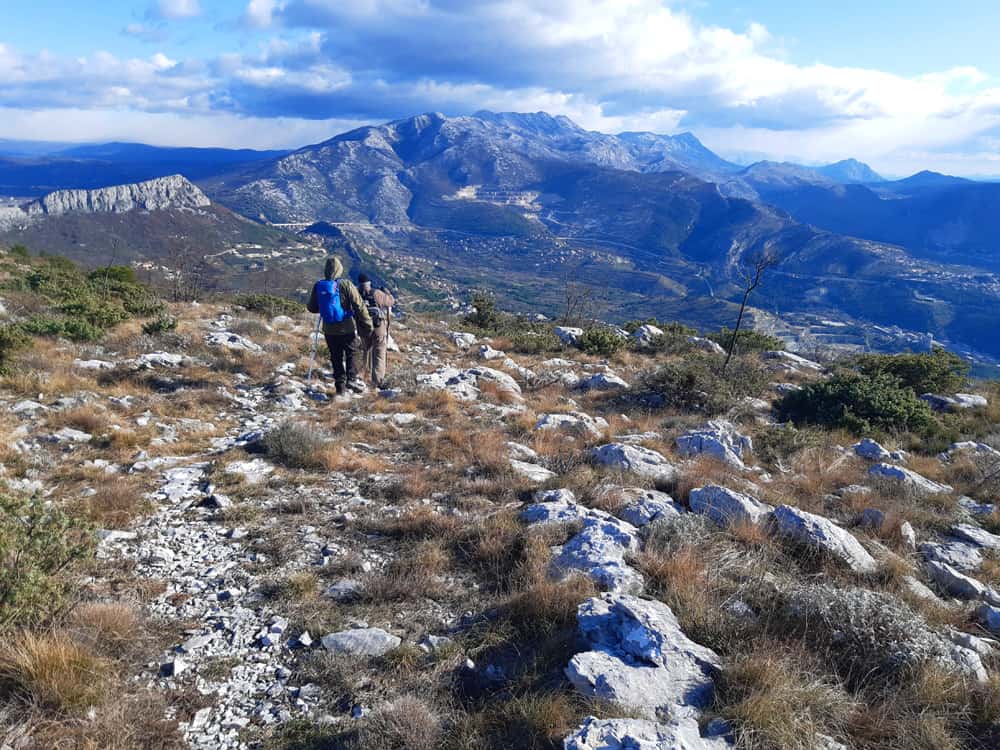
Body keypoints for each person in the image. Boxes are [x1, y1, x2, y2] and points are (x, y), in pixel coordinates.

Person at [306, 257, 373, 396]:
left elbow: (311, 307)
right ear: (339, 270)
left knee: (335, 357)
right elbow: (359, 306)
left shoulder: (319, 285)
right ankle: (351, 379)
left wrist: (326, 308)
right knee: (352, 352)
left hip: (329, 329)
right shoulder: (346, 284)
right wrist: (367, 325)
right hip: (346, 327)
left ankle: (340, 389)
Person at [357, 273, 396, 389]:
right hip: (378, 327)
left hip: (363, 327)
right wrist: (388, 293)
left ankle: (364, 375)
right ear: (369, 283)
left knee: (366, 350)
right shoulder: (377, 294)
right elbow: (391, 301)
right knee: (379, 353)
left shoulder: (356, 294)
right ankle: (377, 380)